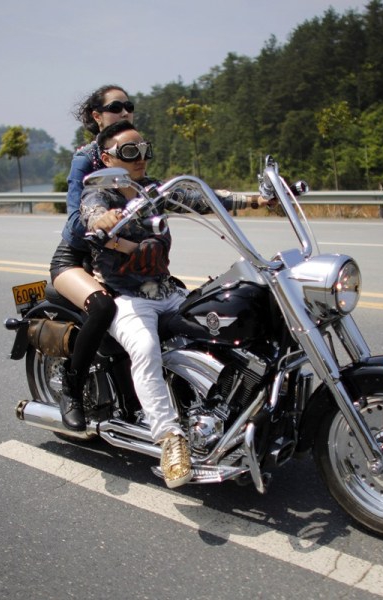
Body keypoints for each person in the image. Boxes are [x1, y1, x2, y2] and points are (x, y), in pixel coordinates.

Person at [80, 121, 262, 488]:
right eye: (130, 152)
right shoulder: (100, 193)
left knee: (225, 321)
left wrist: (259, 199)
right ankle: (170, 440)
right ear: (106, 159)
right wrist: (104, 219)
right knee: (145, 349)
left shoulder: (151, 192)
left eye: (145, 150)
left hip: (166, 292)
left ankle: (229, 410)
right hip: (128, 298)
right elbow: (91, 214)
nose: (141, 159)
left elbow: (206, 198)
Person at [47, 84, 135, 431]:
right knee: (102, 308)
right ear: (97, 117)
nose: (125, 112)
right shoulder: (87, 158)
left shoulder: (130, 150)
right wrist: (100, 223)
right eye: (116, 108)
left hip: (118, 256)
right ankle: (72, 387)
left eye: (129, 106)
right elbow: (73, 221)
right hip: (78, 257)